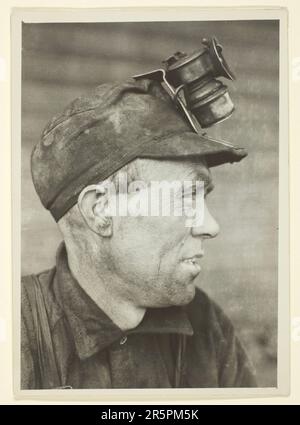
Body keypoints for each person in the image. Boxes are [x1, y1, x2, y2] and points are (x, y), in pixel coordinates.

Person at [21, 77, 257, 389]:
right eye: (186, 197)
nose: (210, 226)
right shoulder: (15, 329)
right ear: (101, 211)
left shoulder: (207, 325)